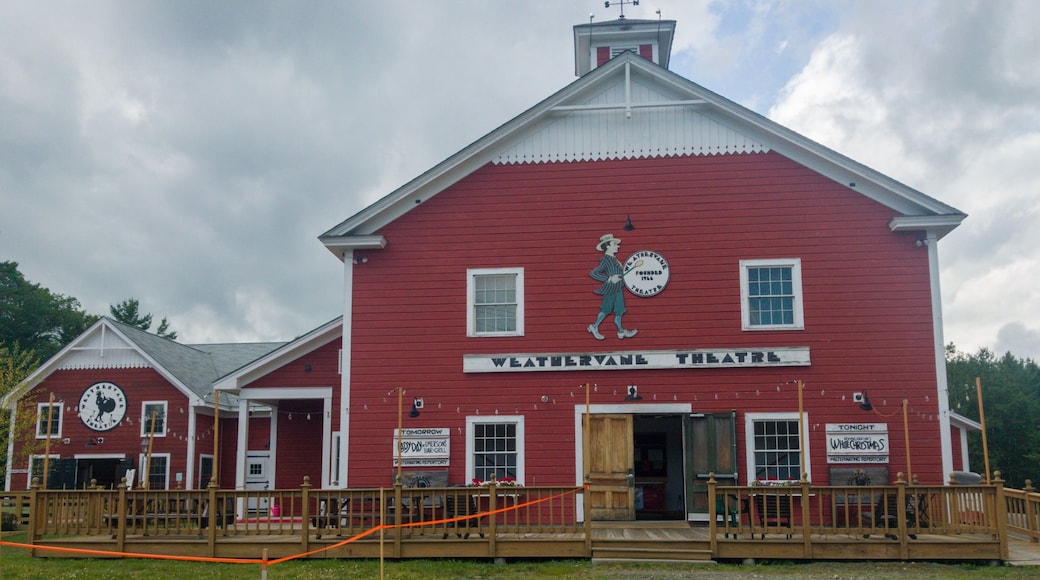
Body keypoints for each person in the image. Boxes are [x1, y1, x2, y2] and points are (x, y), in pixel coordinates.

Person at [588, 233, 637, 340]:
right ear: (608, 246)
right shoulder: (606, 260)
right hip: (611, 289)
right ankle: (594, 326)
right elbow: (593, 273)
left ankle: (621, 331)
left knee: (619, 310)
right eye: (614, 244)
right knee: (606, 309)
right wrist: (609, 278)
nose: (617, 246)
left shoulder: (614, 259)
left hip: (618, 288)